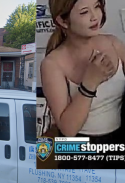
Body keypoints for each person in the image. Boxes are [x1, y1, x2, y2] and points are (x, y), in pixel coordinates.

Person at [41, 0, 125, 169]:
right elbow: (68, 129)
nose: (95, 16)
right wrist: (90, 82)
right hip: (78, 148)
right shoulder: (52, 64)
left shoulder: (113, 43)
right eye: (84, 12)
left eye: (97, 6)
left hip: (118, 139)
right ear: (63, 21)